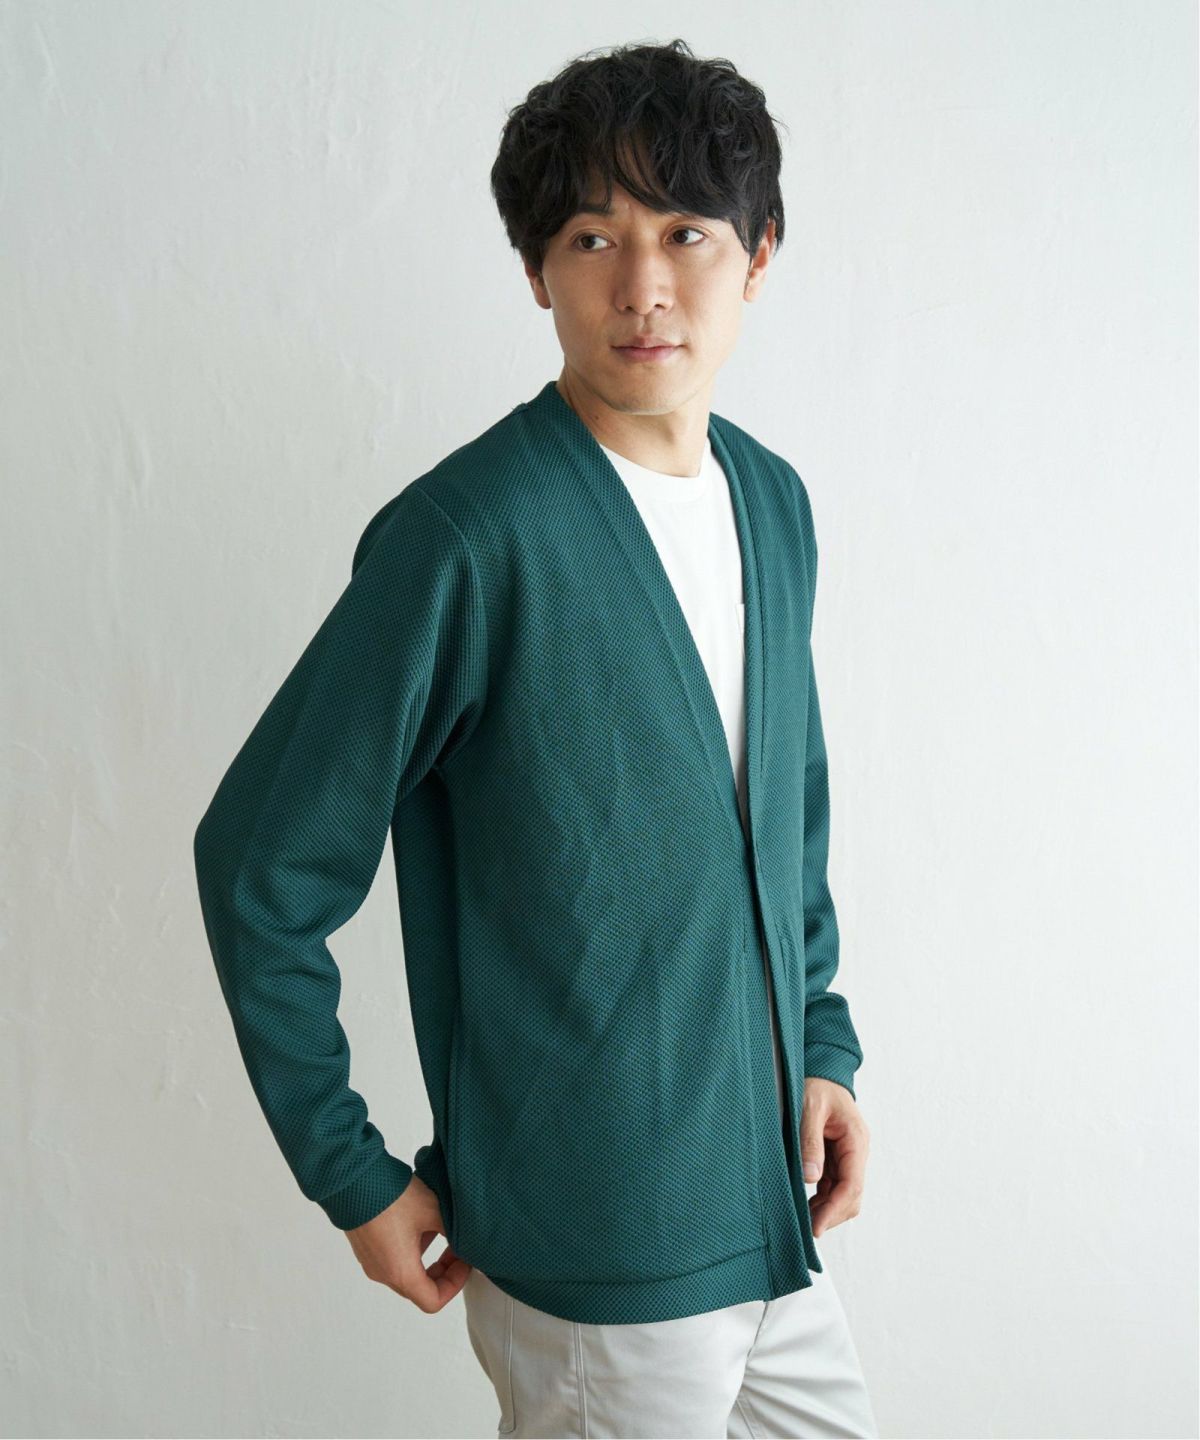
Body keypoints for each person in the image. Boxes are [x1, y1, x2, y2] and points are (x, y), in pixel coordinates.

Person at [194, 36, 877, 1440]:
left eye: (687, 232)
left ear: (760, 253)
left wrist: (821, 1043)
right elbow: (261, 865)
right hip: (593, 1257)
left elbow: (786, 817)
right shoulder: (467, 541)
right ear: (536, 269)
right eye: (592, 238)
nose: (643, 284)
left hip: (769, 1219)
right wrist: (350, 1172)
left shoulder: (773, 504)